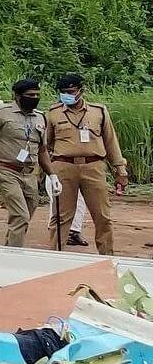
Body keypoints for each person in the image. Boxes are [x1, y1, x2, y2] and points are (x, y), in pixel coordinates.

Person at [45, 73, 128, 255]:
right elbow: (46, 145)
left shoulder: (98, 111)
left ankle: (107, 256)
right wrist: (43, 171)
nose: (67, 95)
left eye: (71, 91)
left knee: (102, 216)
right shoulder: (53, 113)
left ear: (80, 91)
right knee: (61, 216)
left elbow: (111, 142)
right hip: (63, 167)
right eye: (63, 92)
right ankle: (54, 256)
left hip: (94, 166)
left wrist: (120, 169)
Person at [0, 78, 53, 247]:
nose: (34, 97)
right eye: (30, 95)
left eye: (37, 94)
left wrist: (52, 174)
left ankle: (8, 248)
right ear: (18, 96)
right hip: (6, 170)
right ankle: (13, 254)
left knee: (27, 213)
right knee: (21, 215)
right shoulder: (0, 113)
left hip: (29, 173)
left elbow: (42, 150)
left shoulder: (40, 117)